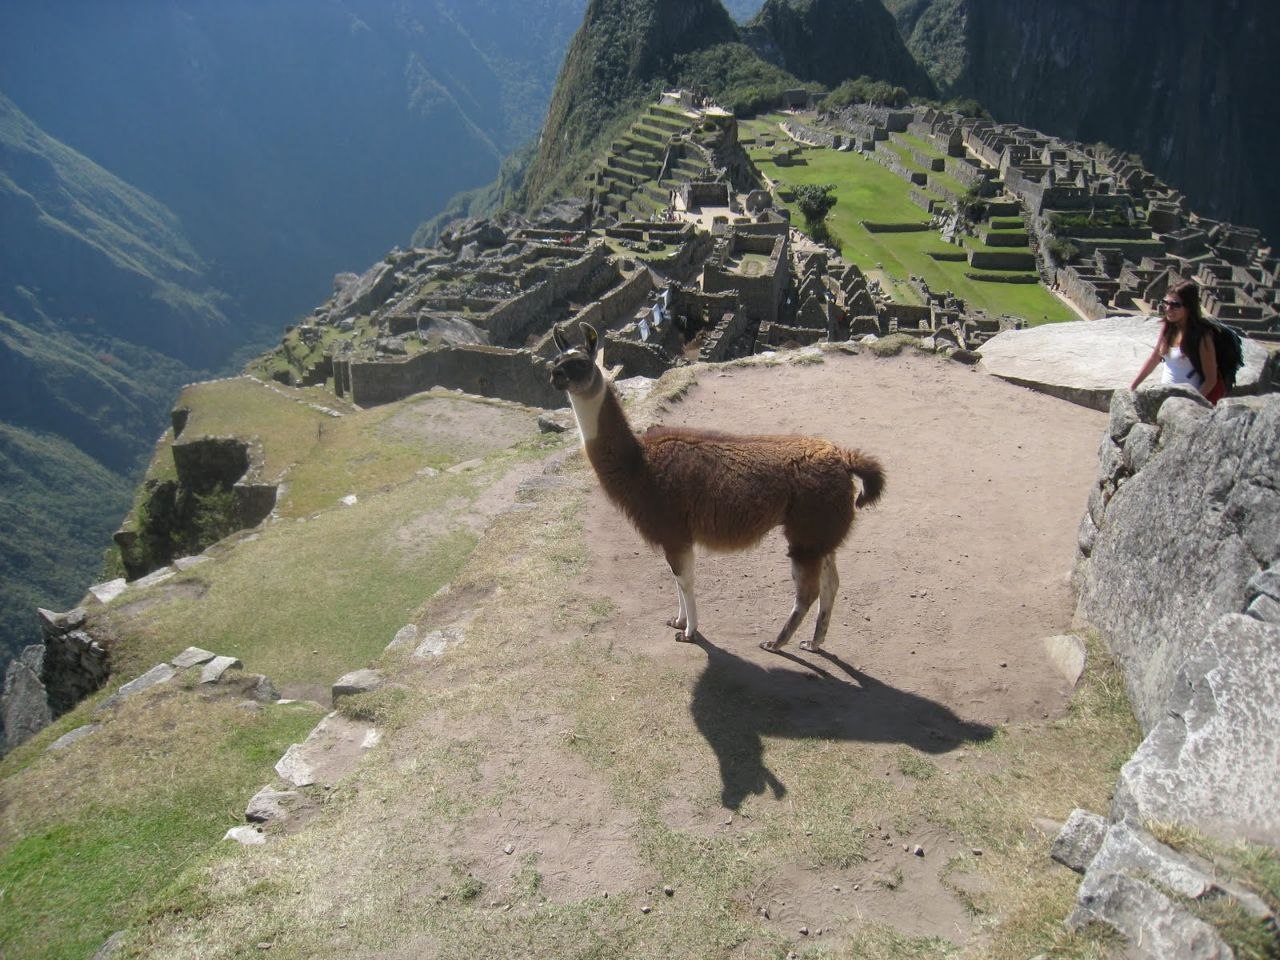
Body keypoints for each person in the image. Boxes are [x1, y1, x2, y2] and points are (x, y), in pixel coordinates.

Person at [1130, 280, 1224, 403]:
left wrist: (1192, 404)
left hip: (1185, 403)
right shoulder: (1169, 328)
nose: (1168, 309)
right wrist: (1133, 387)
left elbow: (1211, 380)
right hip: (1164, 399)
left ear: (1189, 307)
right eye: (1166, 303)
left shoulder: (1201, 337)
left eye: (1175, 305)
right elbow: (1154, 359)